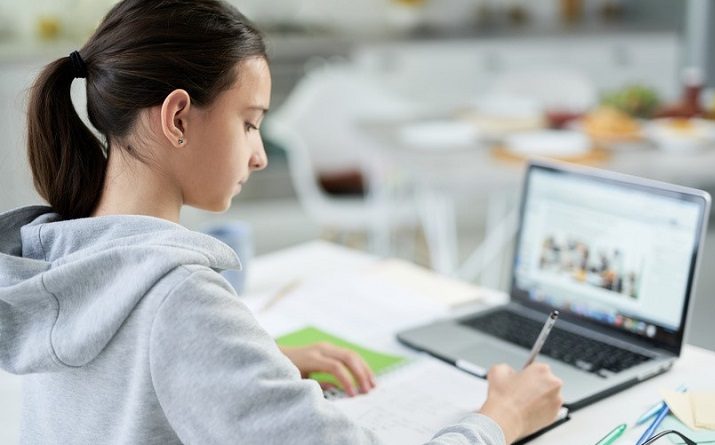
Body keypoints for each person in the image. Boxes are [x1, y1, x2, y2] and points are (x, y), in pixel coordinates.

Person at [0, 1, 563, 444]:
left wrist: (243, 368)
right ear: (176, 118)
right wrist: (501, 416)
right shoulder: (180, 302)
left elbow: (121, 381)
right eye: (248, 123)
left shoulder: (57, 260)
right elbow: (173, 327)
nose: (259, 154)